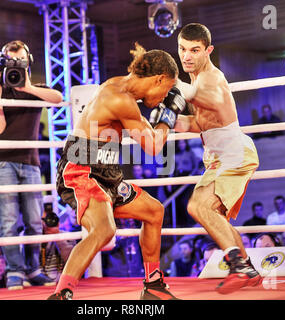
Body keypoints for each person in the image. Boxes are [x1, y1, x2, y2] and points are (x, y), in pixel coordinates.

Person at [49, 43, 184, 300]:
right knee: (104, 230)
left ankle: (153, 286)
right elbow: (154, 146)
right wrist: (169, 114)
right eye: (166, 89)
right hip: (80, 172)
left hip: (107, 174)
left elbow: (147, 129)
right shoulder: (120, 98)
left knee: (154, 211)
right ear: (159, 79)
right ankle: (61, 294)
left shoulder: (122, 88)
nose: (165, 96)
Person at [173, 23, 262, 294]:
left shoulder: (210, 77)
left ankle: (240, 266)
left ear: (208, 50)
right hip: (217, 158)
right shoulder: (195, 80)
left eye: (194, 50)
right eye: (182, 49)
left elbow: (198, 95)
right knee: (203, 210)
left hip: (233, 154)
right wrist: (160, 120)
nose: (186, 56)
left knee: (201, 208)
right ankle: (247, 267)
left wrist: (167, 79)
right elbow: (199, 124)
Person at [0, 40, 63, 290]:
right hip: (2, 162)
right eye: (11, 62)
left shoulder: (36, 89)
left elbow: (58, 98)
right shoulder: (0, 89)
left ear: (28, 61)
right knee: (8, 221)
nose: (15, 66)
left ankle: (33, 269)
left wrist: (28, 87)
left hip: (30, 162)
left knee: (33, 220)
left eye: (19, 61)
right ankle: (14, 272)